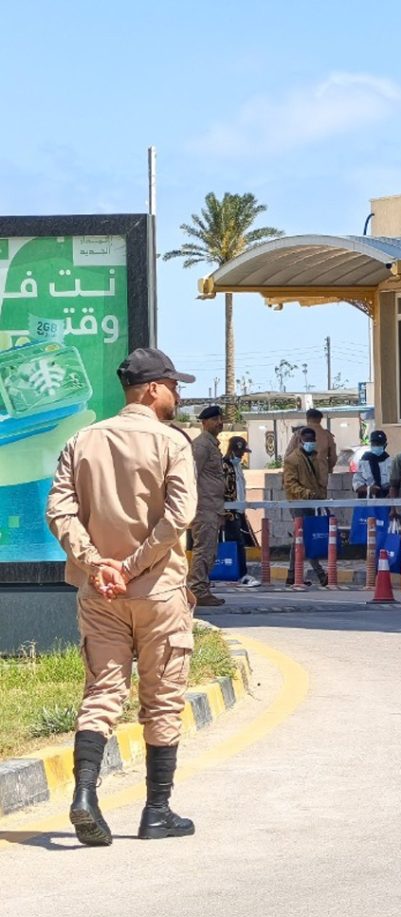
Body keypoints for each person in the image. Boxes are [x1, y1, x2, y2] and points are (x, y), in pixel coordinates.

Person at [45, 348, 199, 846]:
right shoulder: (172, 443)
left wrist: (97, 564)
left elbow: (59, 512)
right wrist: (131, 567)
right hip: (158, 592)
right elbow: (178, 517)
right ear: (152, 389)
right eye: (173, 385)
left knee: (102, 694)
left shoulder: (82, 440)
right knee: (163, 699)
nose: (177, 394)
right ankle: (157, 812)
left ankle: (85, 795)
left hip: (100, 594)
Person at [188, 405, 226, 607]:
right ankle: (198, 590)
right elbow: (190, 475)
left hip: (213, 506)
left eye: (221, 419)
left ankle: (201, 588)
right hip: (203, 507)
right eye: (214, 420)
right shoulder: (202, 445)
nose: (219, 423)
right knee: (204, 550)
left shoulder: (212, 445)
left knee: (209, 550)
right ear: (204, 423)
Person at [283, 426, 329, 587]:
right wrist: (308, 493)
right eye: (307, 441)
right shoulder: (292, 460)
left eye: (312, 440)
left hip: (313, 502)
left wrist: (320, 495)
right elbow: (290, 484)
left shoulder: (315, 458)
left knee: (299, 539)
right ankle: (320, 573)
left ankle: (292, 574)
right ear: (300, 441)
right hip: (298, 502)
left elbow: (319, 480)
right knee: (305, 537)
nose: (310, 443)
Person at [222, 435, 260, 588]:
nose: (243, 455)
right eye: (241, 452)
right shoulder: (224, 466)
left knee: (239, 543)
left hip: (238, 510)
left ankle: (239, 574)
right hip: (229, 511)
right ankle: (240, 574)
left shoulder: (237, 466)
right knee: (235, 543)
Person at [285, 408, 338, 479]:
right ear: (320, 419)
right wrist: (326, 468)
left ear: (307, 418)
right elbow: (333, 458)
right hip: (321, 474)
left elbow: (288, 455)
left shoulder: (298, 434)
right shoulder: (327, 435)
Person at [354, 430, 393, 498]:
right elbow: (356, 485)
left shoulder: (390, 462)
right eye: (374, 444)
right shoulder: (364, 462)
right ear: (371, 445)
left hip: (386, 500)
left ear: (385, 445)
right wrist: (368, 489)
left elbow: (395, 483)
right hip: (368, 501)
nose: (376, 446)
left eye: (379, 444)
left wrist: (391, 493)